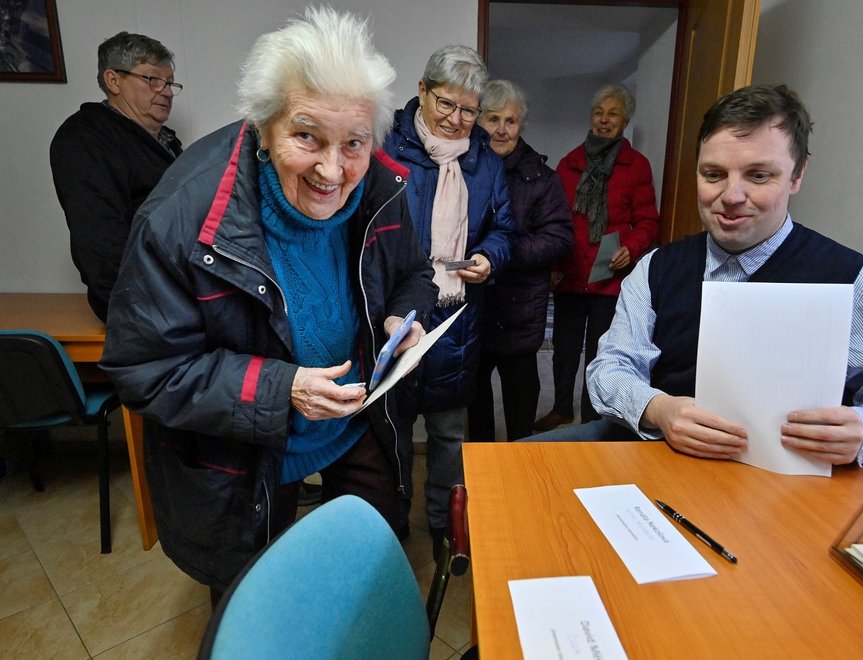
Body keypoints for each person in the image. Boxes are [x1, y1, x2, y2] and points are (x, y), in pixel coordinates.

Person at [99, 6, 438, 600]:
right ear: (262, 125)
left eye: (354, 143)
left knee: (368, 568)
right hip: (247, 449)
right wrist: (285, 390)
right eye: (306, 135)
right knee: (253, 598)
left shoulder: (382, 184)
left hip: (358, 419)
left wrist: (398, 316)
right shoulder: (182, 216)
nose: (333, 170)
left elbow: (412, 271)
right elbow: (145, 371)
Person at [530, 83, 863, 467]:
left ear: (798, 175)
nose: (731, 197)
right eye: (713, 174)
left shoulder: (851, 278)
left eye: (758, 175)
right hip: (663, 461)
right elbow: (610, 368)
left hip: (790, 486)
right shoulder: (655, 269)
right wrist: (659, 410)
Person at [383, 45, 515, 553]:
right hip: (397, 311)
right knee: (392, 427)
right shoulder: (388, 149)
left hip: (459, 312)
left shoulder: (484, 162)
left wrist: (489, 256)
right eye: (446, 104)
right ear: (421, 91)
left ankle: (443, 523)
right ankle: (392, 525)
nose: (458, 120)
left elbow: (504, 227)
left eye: (469, 109)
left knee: (448, 430)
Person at [534, 83, 659, 432]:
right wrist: (555, 265)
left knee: (601, 350)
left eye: (613, 113)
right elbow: (555, 221)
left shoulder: (636, 166)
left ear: (625, 119)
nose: (604, 120)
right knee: (564, 348)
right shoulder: (569, 163)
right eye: (599, 112)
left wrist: (631, 249)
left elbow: (649, 222)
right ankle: (561, 407)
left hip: (611, 277)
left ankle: (591, 415)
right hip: (571, 271)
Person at [50, 31, 183, 322]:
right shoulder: (84, 139)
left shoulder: (166, 142)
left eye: (170, 82)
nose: (167, 91)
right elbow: (100, 242)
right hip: (142, 308)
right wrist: (141, 314)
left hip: (177, 293)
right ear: (113, 81)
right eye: (152, 80)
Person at [466, 80, 572, 441]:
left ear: (521, 125)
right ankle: (480, 484)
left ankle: (521, 481)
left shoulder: (543, 178)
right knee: (475, 410)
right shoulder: (460, 169)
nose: (501, 129)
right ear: (478, 122)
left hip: (519, 308)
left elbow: (559, 239)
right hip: (473, 307)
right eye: (492, 119)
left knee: (520, 417)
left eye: (510, 121)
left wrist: (499, 254)